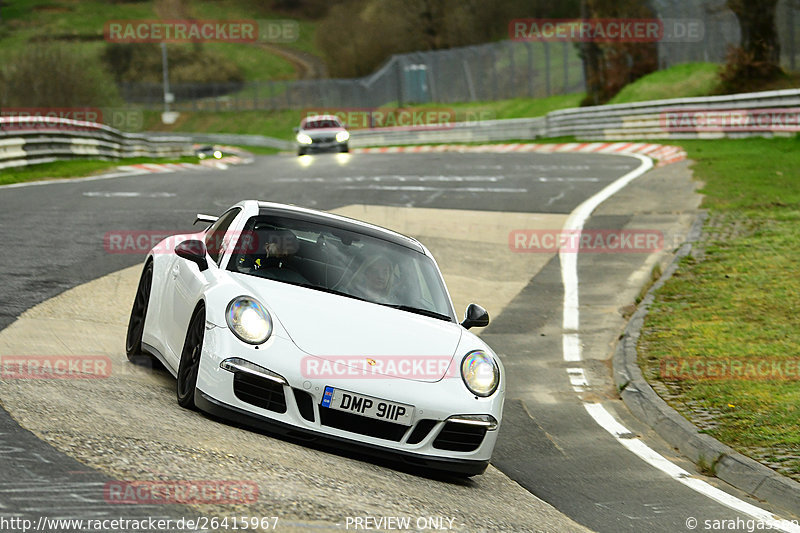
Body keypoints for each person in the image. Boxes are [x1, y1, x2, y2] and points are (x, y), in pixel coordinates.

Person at [238, 228, 306, 283]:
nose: (285, 253)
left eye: (289, 251)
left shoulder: (276, 260)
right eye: (282, 248)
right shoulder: (246, 248)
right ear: (270, 243)